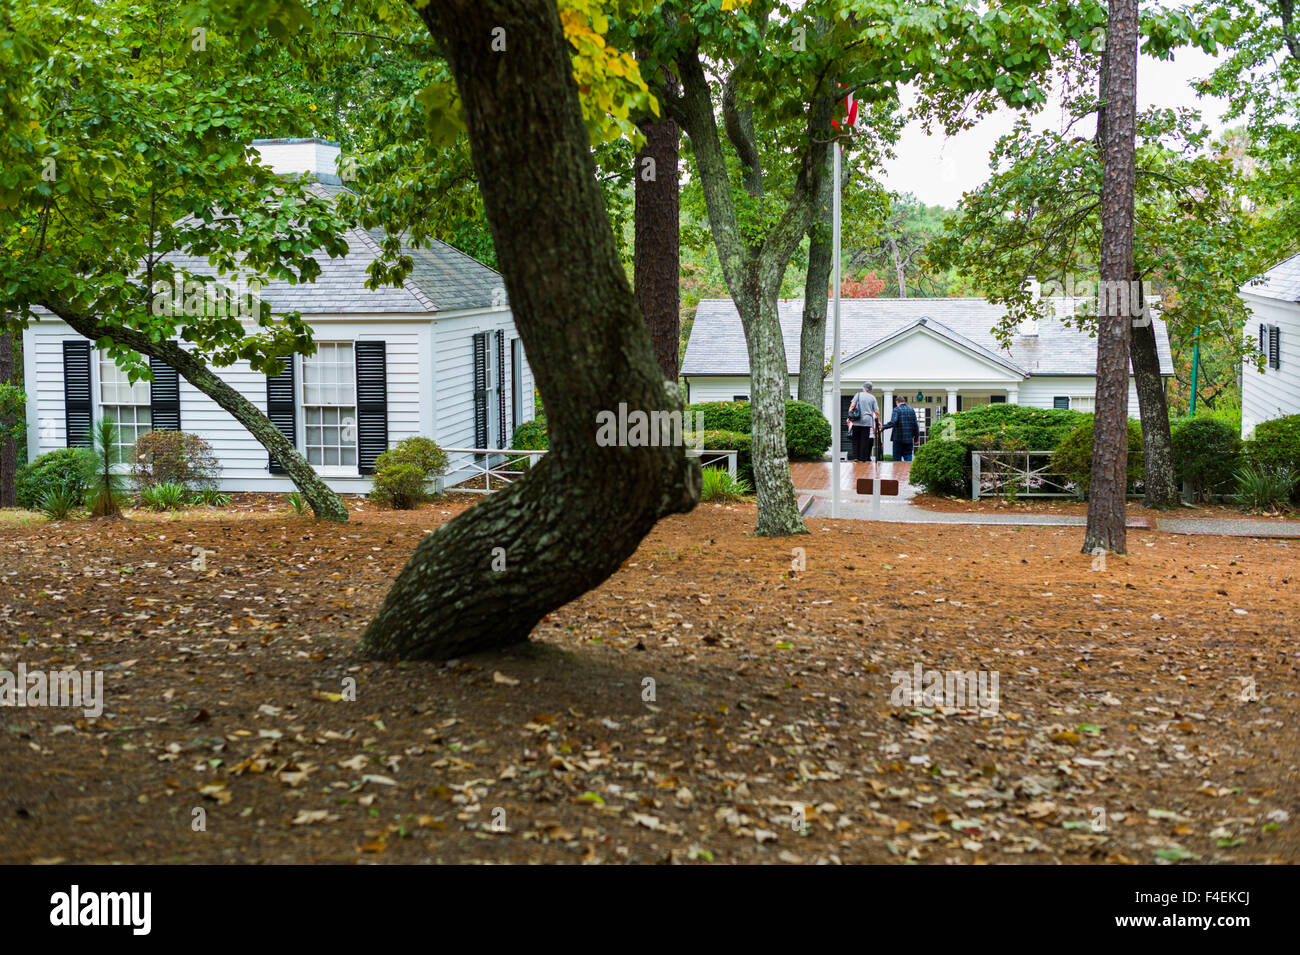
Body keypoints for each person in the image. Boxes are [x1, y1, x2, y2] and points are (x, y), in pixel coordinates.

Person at [881, 393, 919, 462]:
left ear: (897, 402)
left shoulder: (896, 409)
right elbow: (915, 425)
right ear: (904, 402)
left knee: (897, 460)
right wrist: (916, 438)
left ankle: (898, 472)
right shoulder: (911, 410)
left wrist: (883, 427)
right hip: (909, 439)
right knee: (908, 457)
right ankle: (907, 472)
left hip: (898, 439)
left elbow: (893, 422)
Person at [847, 382, 878, 462]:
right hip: (867, 421)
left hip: (857, 419)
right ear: (871, 389)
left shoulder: (858, 394)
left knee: (856, 439)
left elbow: (852, 406)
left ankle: (856, 457)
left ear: (863, 388)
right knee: (865, 440)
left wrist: (849, 416)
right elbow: (877, 411)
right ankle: (863, 458)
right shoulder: (872, 398)